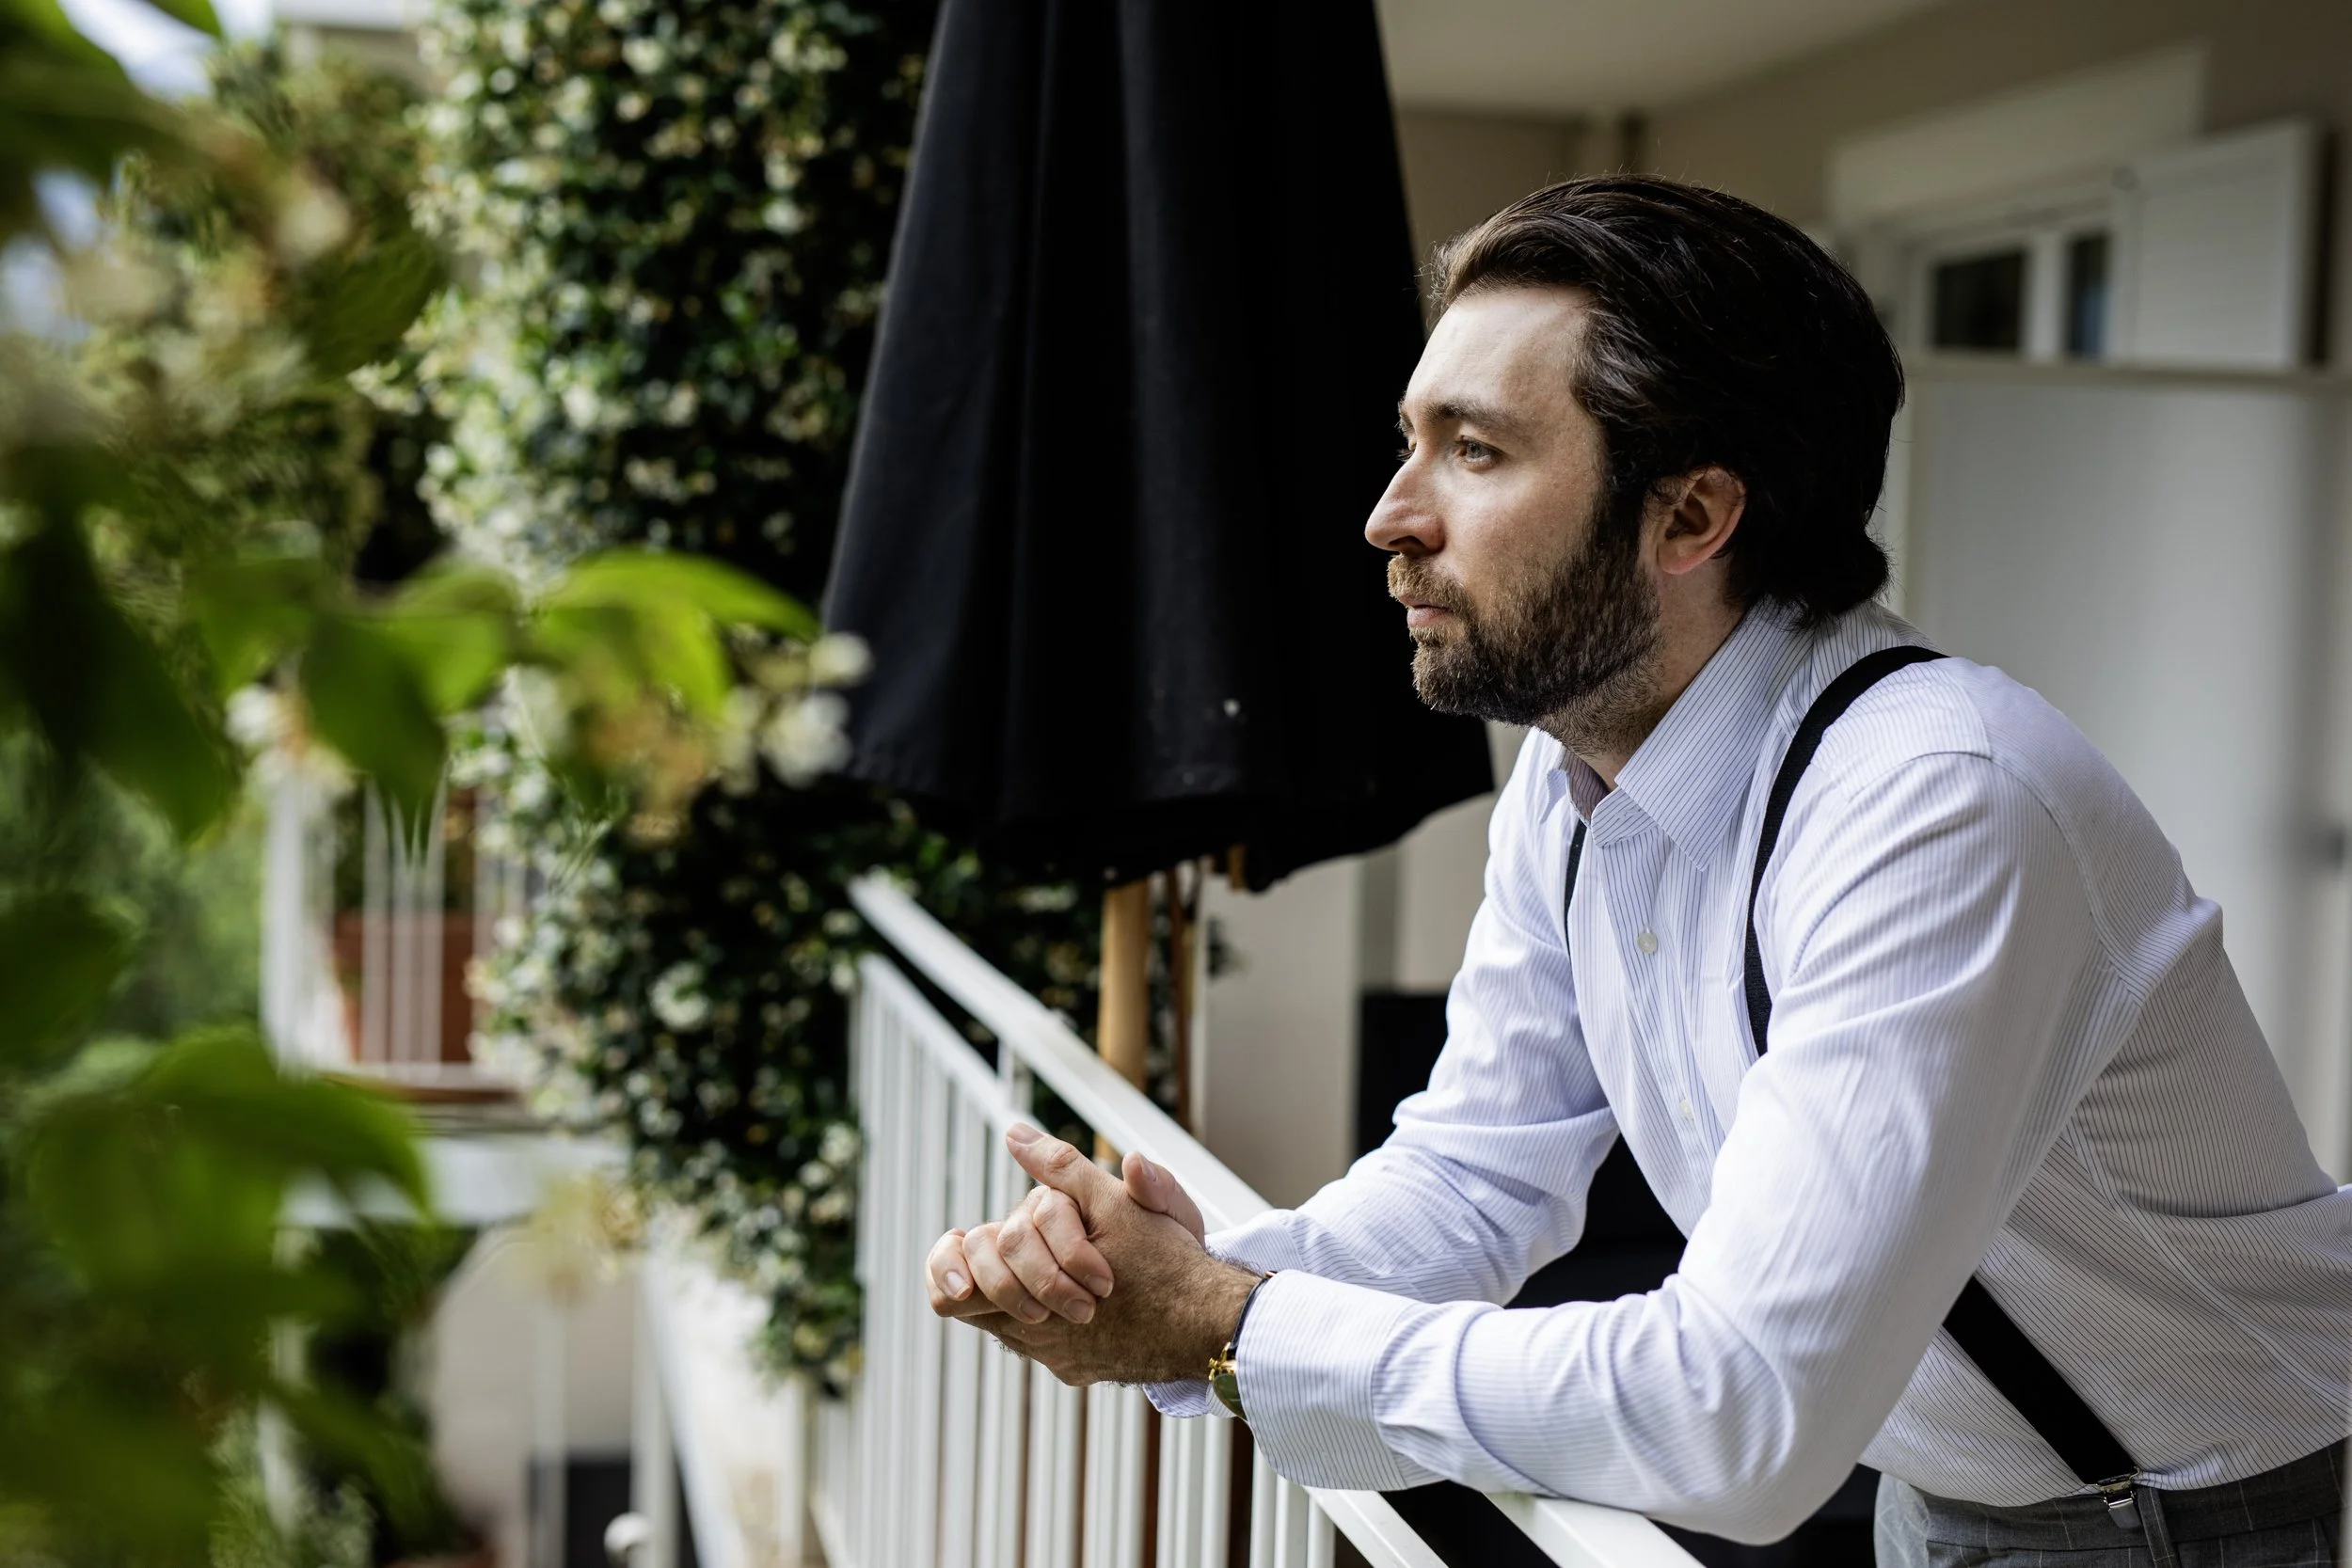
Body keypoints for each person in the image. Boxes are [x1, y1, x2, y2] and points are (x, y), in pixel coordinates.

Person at [922, 176, 2352, 1567]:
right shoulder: (1574, 778)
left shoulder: (1936, 801)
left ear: (1690, 518)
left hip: (2222, 1519)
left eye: (1476, 451)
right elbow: (1476, 1176)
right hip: (1949, 1496)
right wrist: (1195, 1279)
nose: (1391, 515)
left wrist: (1232, 1324)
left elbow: (1736, 1415)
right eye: (1411, 442)